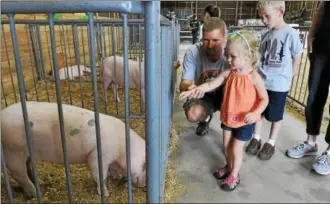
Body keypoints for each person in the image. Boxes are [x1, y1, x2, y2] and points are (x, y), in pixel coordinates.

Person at [179, 30, 269, 191]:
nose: (228, 59)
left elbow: (264, 99)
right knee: (227, 145)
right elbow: (211, 84)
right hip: (229, 116)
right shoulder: (228, 72)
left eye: (232, 57)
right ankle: (228, 166)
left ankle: (235, 174)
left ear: (248, 56)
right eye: (227, 55)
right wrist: (193, 90)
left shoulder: (254, 77)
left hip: (244, 120)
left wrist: (256, 113)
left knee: (236, 147)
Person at [245, 1, 303, 160]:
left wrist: (293, 73)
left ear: (280, 12)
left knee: (275, 115)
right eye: (261, 16)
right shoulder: (266, 34)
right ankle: (256, 138)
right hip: (262, 81)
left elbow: (297, 54)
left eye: (267, 16)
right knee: (259, 111)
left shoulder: (290, 33)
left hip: (279, 84)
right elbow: (261, 56)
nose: (264, 20)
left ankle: (271, 142)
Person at [286, 1, 330, 176]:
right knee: (314, 98)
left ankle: (329, 152)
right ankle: (311, 142)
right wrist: (311, 38)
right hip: (321, 51)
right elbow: (319, 15)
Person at [180, 17, 229, 136]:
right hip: (202, 93)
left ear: (225, 39)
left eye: (215, 40)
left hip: (227, 93)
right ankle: (205, 119)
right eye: (206, 40)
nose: (210, 45)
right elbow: (185, 83)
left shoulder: (231, 53)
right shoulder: (193, 52)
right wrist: (190, 88)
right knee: (193, 113)